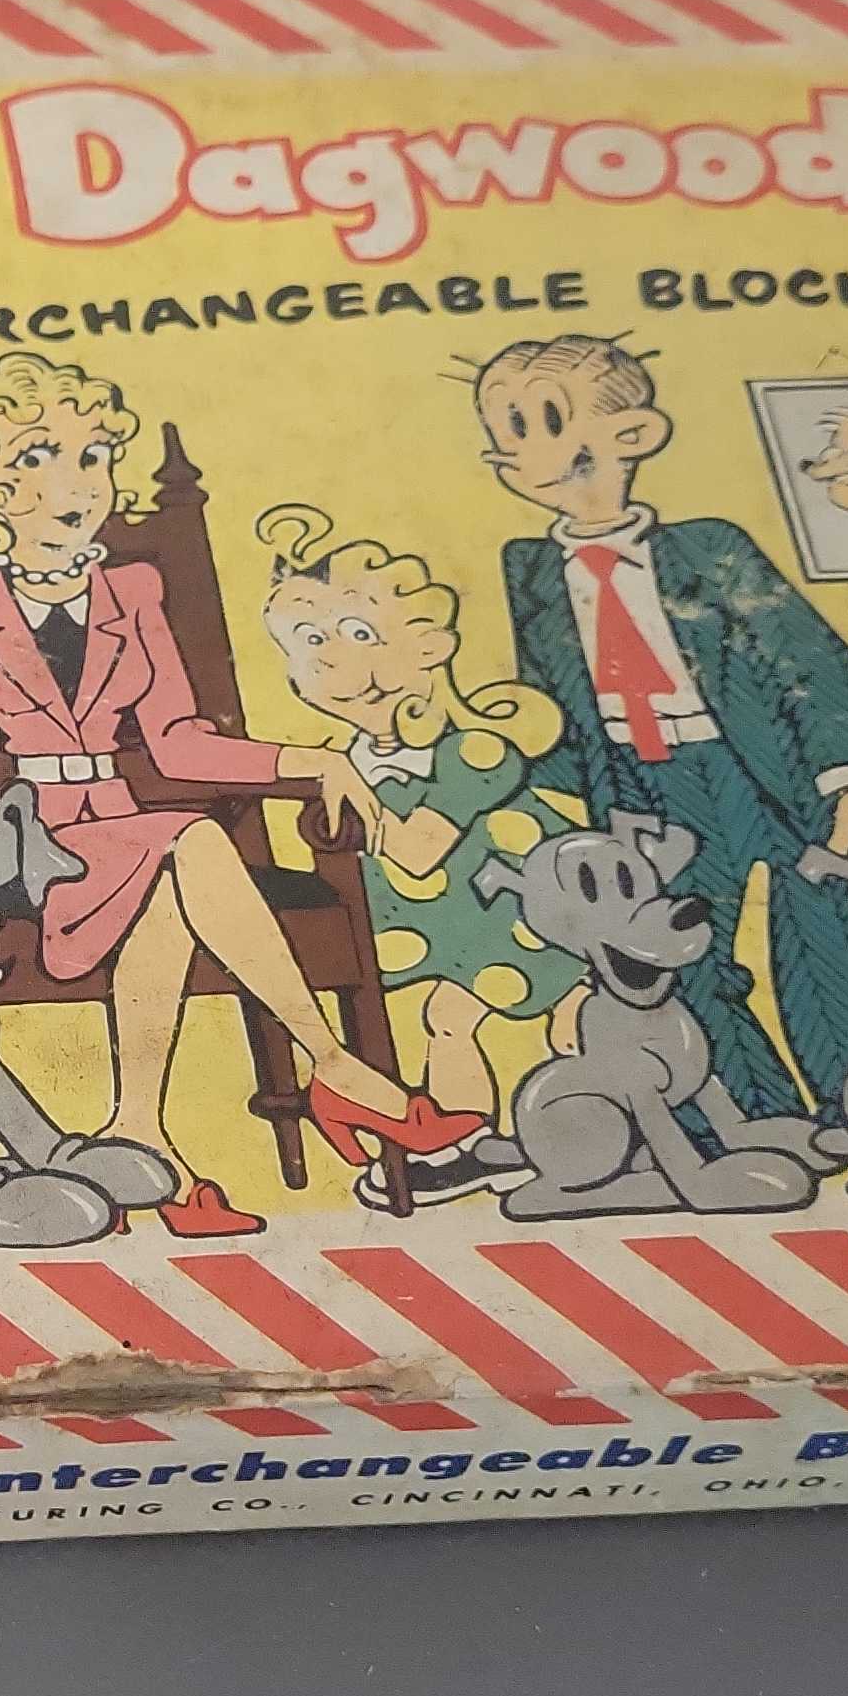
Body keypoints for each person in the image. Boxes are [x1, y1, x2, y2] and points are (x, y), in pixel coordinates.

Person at [0, 352, 485, 1237]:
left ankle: (141, 1134)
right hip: (18, 848)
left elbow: (181, 742)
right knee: (188, 841)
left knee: (169, 879)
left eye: (93, 456)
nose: (78, 480)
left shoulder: (131, 590)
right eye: (39, 456)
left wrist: (310, 760)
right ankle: (335, 1066)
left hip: (123, 831)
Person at [471, 333, 848, 1125]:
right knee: (674, 954)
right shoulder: (528, 571)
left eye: (547, 421)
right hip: (638, 785)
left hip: (752, 769)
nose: (521, 452)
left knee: (825, 935)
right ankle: (751, 1125)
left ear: (634, 435)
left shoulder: (707, 546)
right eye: (508, 431)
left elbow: (811, 661)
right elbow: (550, 711)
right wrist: (508, 756)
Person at [251, 506, 585, 1204]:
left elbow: (419, 853)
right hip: (455, 934)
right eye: (310, 641)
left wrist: (345, 795)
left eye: (359, 633)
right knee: (449, 1020)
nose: (334, 658)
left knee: (566, 1026)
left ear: (427, 647)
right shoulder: (346, 762)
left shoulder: (473, 750)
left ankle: (591, 1137)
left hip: (530, 918)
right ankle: (469, 1144)